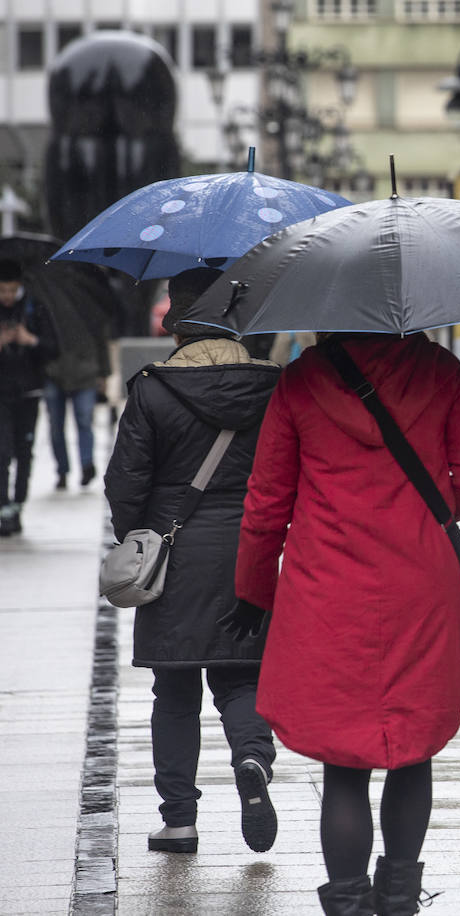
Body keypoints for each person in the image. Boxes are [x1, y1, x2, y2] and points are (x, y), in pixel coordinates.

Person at [224, 331, 460, 914]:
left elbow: (267, 498)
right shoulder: (440, 370)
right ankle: (400, 897)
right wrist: (423, 512)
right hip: (421, 588)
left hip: (328, 588)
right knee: (414, 747)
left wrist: (253, 588)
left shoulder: (302, 380)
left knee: (343, 763)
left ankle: (349, 905)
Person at [102, 267, 282, 856]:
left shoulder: (152, 389)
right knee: (240, 677)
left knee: (174, 691)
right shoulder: (273, 387)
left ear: (173, 320)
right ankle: (252, 756)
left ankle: (179, 820)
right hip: (249, 553)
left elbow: (124, 482)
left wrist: (140, 538)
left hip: (172, 552)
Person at [0, 259, 59, 536]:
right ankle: (3, 506)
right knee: (2, 451)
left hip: (29, 391)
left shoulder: (35, 308)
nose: (7, 297)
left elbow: (53, 348)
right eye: (2, 291)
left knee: (24, 451)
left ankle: (18, 504)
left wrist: (29, 340)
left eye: (12, 290)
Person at [44, 286, 112, 491]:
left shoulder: (90, 307)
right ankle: (63, 470)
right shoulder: (46, 302)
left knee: (83, 420)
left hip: (85, 371)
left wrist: (103, 374)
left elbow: (102, 340)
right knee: (57, 425)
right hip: (54, 370)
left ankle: (86, 464)